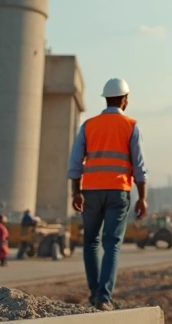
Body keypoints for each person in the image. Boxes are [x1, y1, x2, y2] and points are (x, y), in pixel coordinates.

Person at [67, 77, 148, 311]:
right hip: (118, 191)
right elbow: (139, 166)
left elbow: (74, 163)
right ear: (125, 99)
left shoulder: (89, 125)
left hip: (90, 190)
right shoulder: (131, 125)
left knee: (91, 242)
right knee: (111, 244)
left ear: (106, 99)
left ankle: (94, 293)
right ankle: (104, 298)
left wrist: (75, 192)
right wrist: (142, 197)